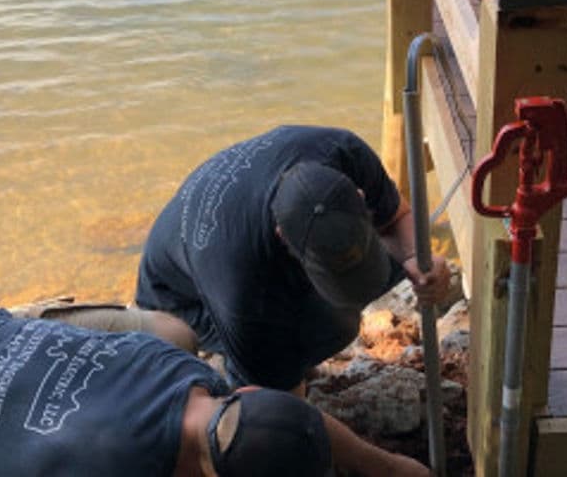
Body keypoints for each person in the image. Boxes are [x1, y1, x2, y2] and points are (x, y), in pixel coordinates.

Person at [0, 298, 429, 477]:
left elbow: (284, 424)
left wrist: (387, 467)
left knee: (177, 333)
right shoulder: (118, 467)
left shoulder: (185, 375)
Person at [135, 125, 450, 391]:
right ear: (282, 237)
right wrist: (387, 466)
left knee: (365, 291)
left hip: (239, 231)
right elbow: (285, 406)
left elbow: (394, 218)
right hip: (179, 301)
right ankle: (239, 371)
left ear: (358, 196)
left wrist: (419, 260)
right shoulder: (243, 285)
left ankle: (286, 357)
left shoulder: (343, 152)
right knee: (329, 328)